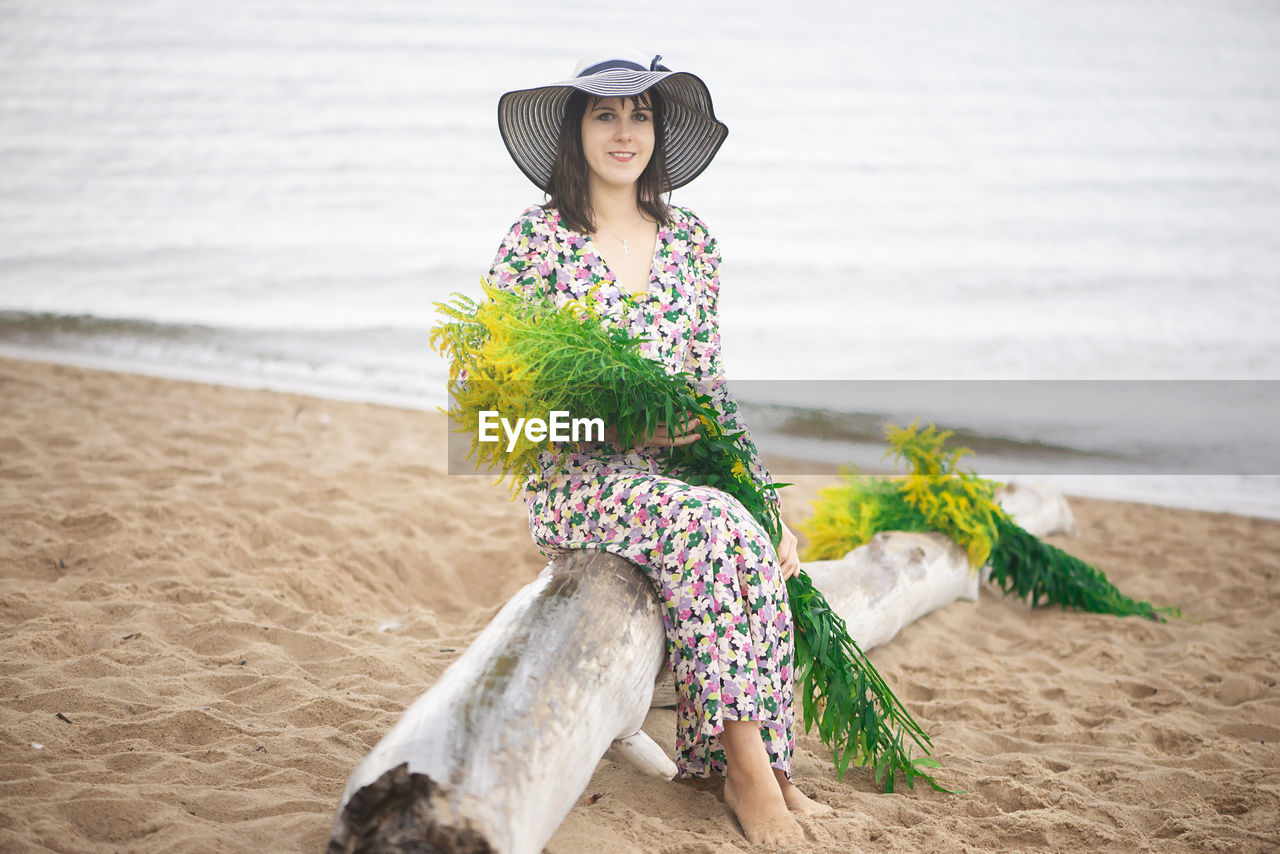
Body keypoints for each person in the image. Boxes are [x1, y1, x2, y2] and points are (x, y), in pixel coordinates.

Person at [487, 47, 829, 844]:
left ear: (659, 133)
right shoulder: (537, 245)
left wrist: (766, 503)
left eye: (640, 115)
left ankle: (766, 767)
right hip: (578, 485)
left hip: (684, 482)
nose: (623, 131)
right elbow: (496, 424)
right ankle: (747, 777)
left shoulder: (693, 243)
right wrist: (612, 429)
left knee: (748, 538)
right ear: (576, 131)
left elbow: (710, 395)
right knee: (714, 527)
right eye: (605, 113)